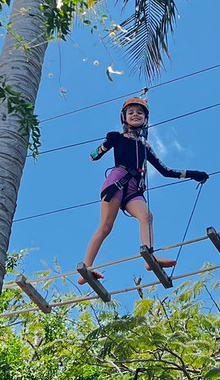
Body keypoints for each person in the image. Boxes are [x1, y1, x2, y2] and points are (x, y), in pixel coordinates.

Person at [79, 97, 208, 284]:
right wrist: (107, 143)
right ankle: (87, 267)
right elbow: (93, 157)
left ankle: (150, 256)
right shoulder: (118, 138)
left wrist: (192, 173)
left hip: (134, 188)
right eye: (131, 112)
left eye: (139, 113)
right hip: (117, 181)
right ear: (124, 117)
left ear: (145, 119)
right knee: (106, 226)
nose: (135, 115)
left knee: (147, 216)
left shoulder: (146, 146)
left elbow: (165, 171)